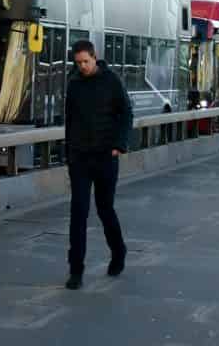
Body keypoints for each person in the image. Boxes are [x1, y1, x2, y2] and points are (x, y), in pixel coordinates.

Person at [62, 40, 131, 290]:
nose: (82, 67)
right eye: (78, 63)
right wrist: (68, 152)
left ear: (94, 58)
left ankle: (118, 252)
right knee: (78, 213)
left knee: (105, 209)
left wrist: (119, 145)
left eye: (86, 62)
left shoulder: (112, 81)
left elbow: (127, 114)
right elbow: (69, 120)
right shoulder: (74, 84)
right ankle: (76, 271)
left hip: (105, 156)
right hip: (79, 157)